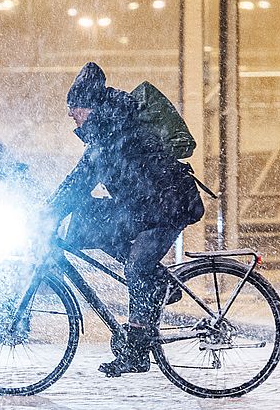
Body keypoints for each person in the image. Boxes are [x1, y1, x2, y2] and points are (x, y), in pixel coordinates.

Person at [43, 62, 205, 377]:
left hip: (166, 207)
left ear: (90, 108)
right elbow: (78, 181)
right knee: (88, 220)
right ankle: (157, 284)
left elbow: (79, 182)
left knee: (137, 267)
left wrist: (47, 213)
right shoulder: (108, 127)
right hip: (143, 206)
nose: (70, 114)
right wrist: (49, 209)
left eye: (74, 107)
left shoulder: (112, 131)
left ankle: (137, 353)